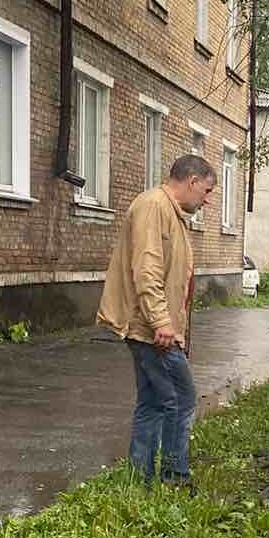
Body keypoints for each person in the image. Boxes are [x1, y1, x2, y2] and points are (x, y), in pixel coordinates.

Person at [97, 153, 215, 488]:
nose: (207, 200)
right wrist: (162, 321)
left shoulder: (170, 212)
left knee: (152, 401)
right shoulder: (154, 207)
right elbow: (147, 270)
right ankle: (174, 478)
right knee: (181, 398)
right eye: (206, 191)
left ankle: (140, 479)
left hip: (152, 327)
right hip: (151, 329)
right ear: (192, 181)